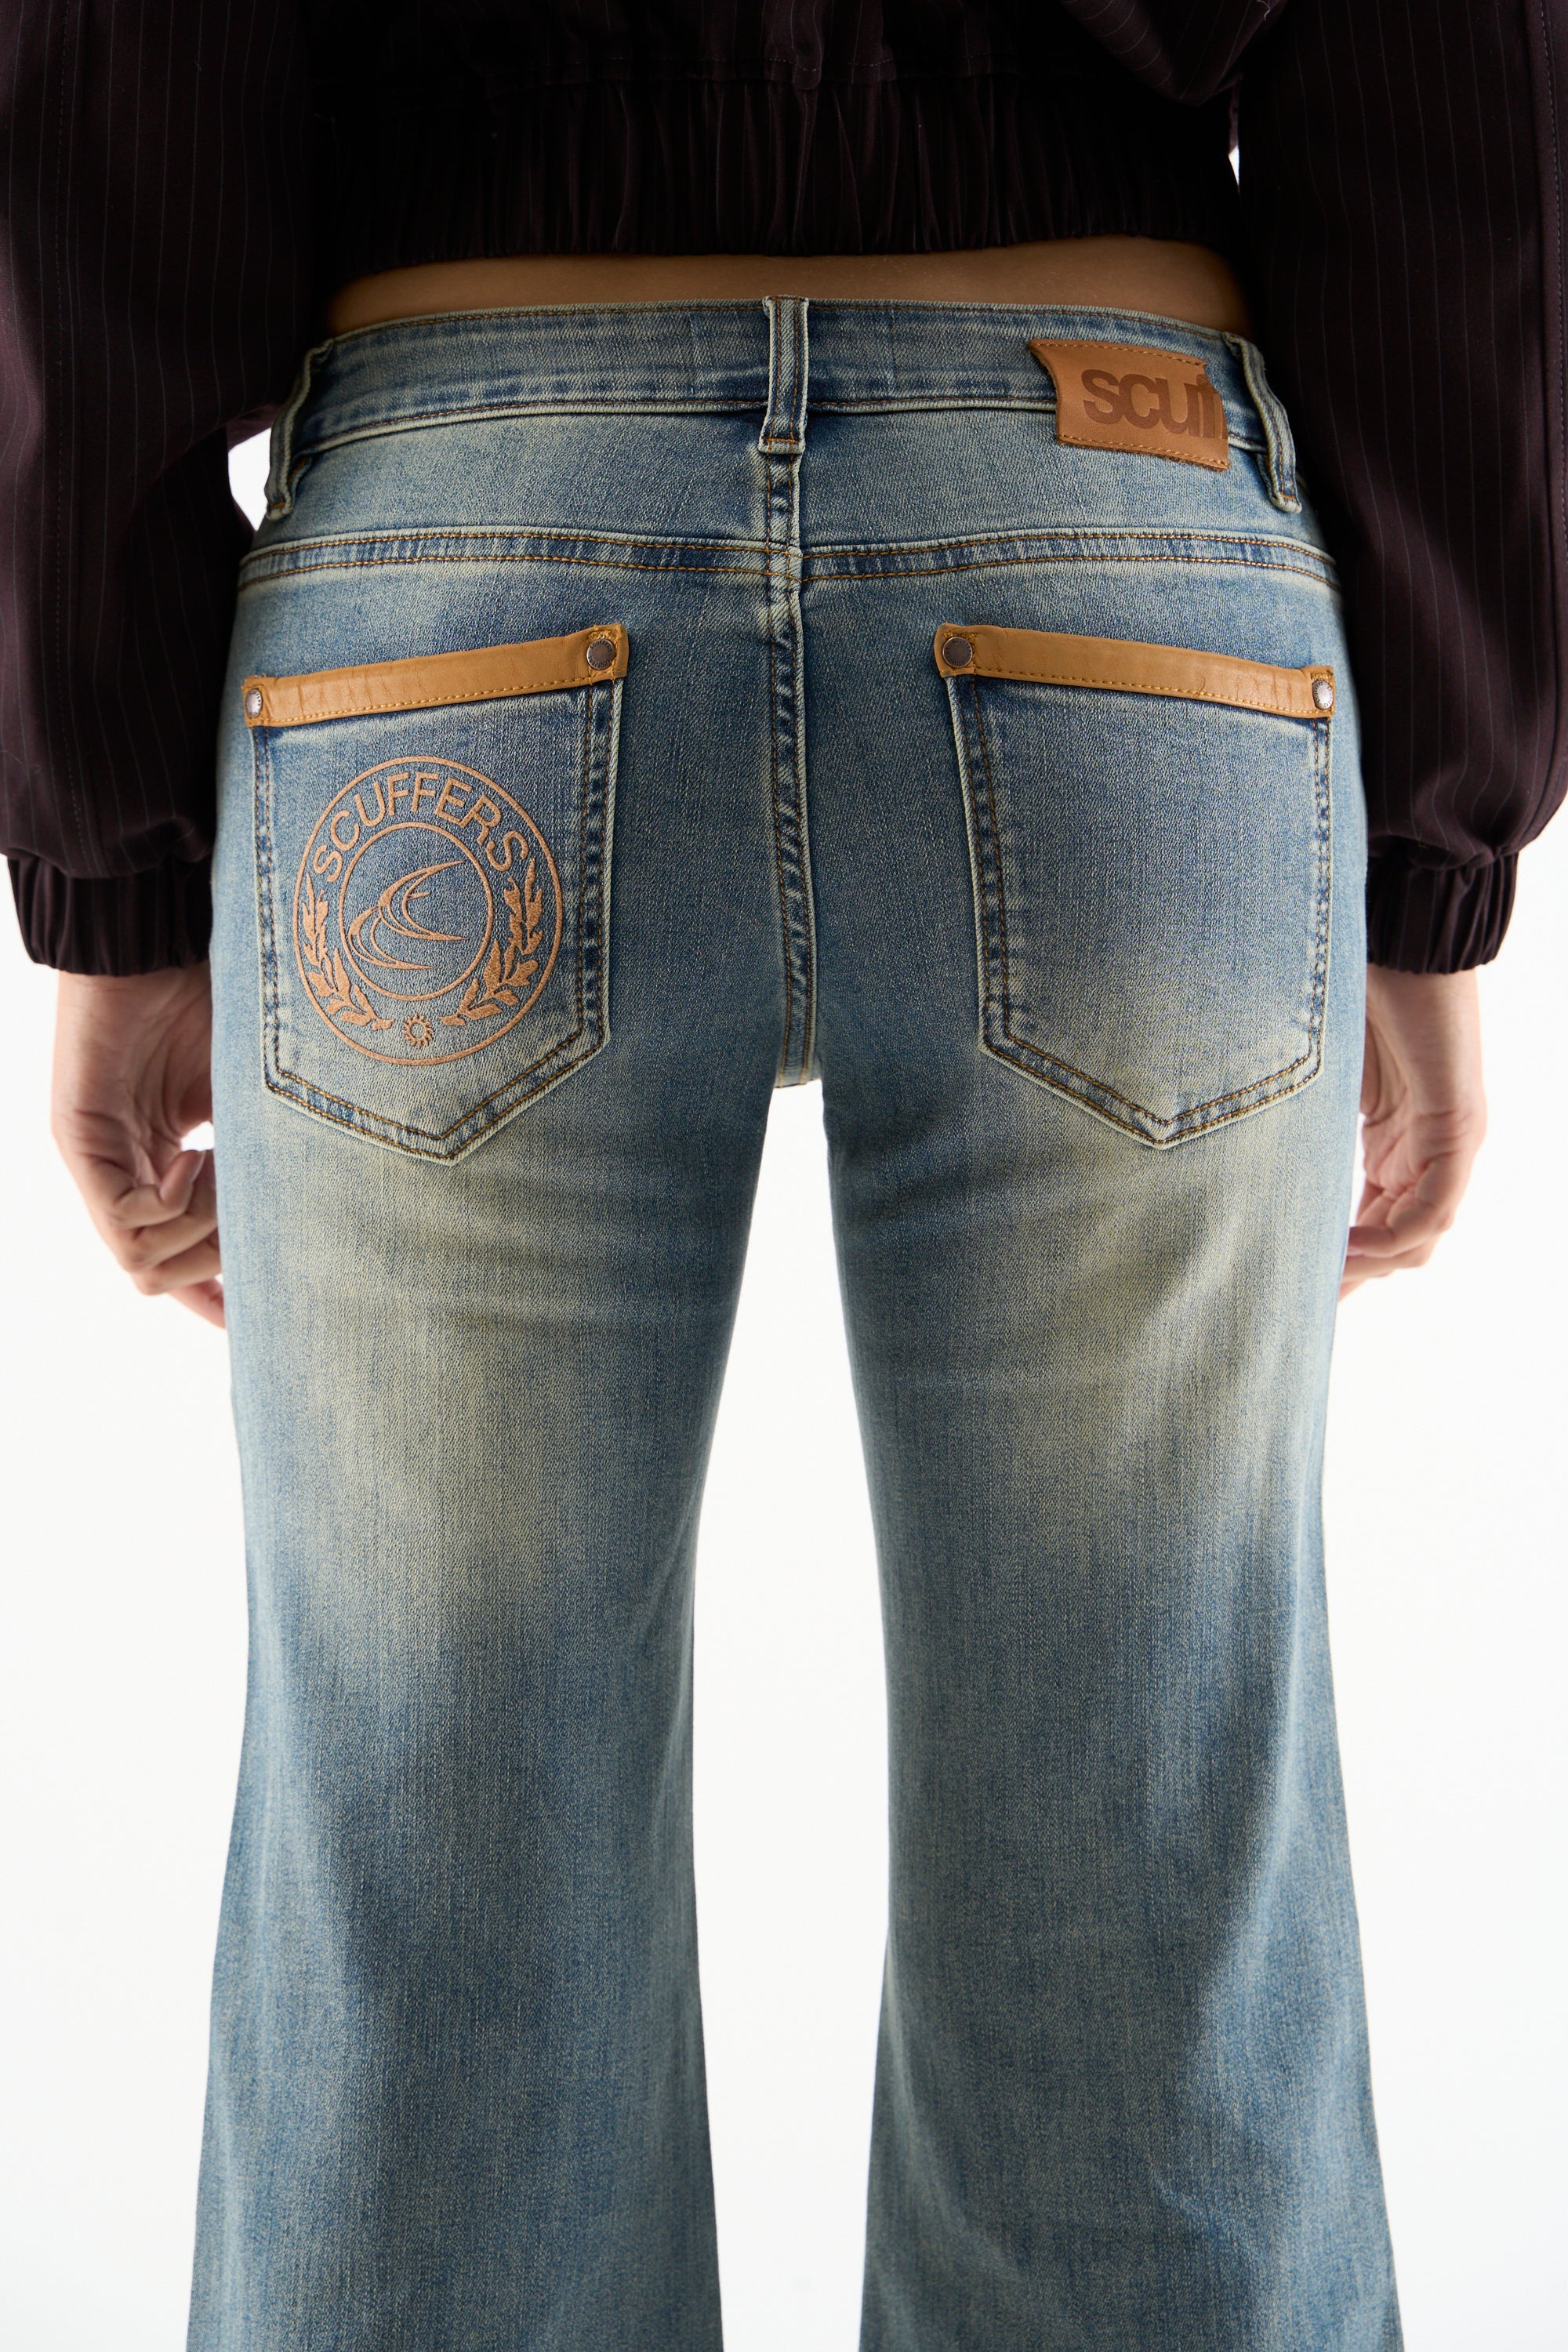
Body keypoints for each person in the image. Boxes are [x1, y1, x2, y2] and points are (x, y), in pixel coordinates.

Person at [2, 5, 1558, 2347]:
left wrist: (113, 837)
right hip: (1118, 544)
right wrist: (1433, 816)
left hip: (461, 552)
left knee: (430, 1882)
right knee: (1145, 1857)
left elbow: (113, 76)